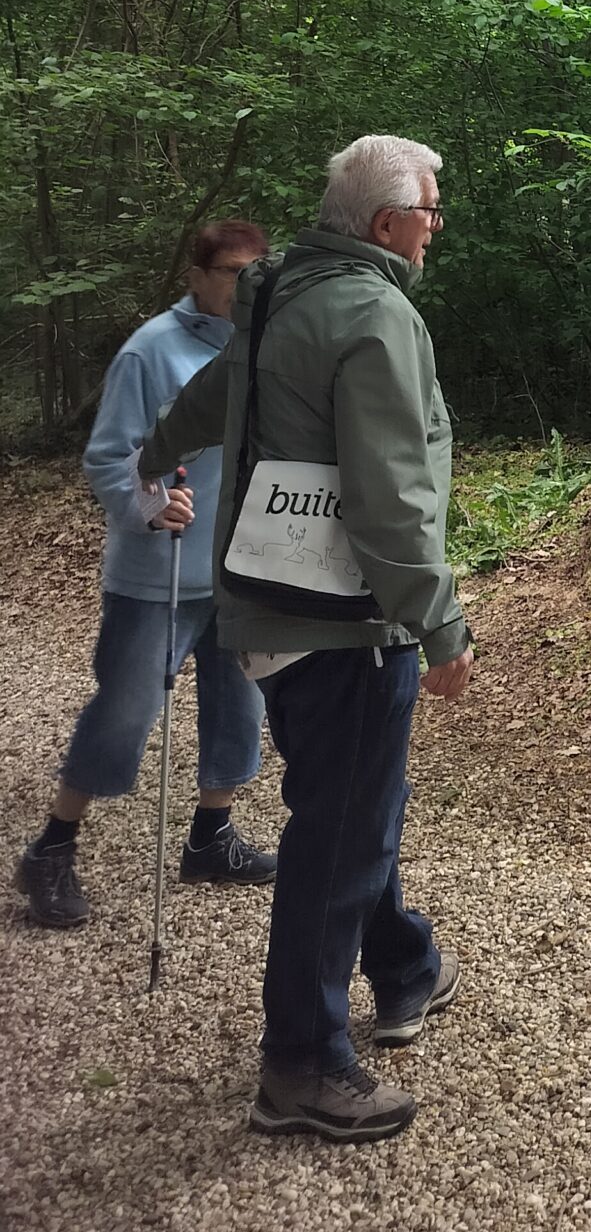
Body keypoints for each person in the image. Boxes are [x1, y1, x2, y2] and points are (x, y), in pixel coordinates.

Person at [136, 136, 472, 1146]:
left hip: (269, 613)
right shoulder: (375, 311)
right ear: (385, 225)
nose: (437, 222)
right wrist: (440, 620)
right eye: (431, 206)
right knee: (341, 828)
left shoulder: (279, 292)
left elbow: (209, 396)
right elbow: (392, 495)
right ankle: (302, 1065)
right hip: (345, 621)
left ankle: (405, 963)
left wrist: (158, 456)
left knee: (346, 800)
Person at [15, 221, 276, 929]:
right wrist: (153, 503)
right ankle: (52, 847)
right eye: (231, 273)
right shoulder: (150, 350)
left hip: (240, 568)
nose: (246, 286)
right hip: (156, 575)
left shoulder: (268, 347)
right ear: (197, 276)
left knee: (239, 710)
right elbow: (107, 458)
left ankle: (210, 838)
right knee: (125, 712)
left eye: (258, 273)